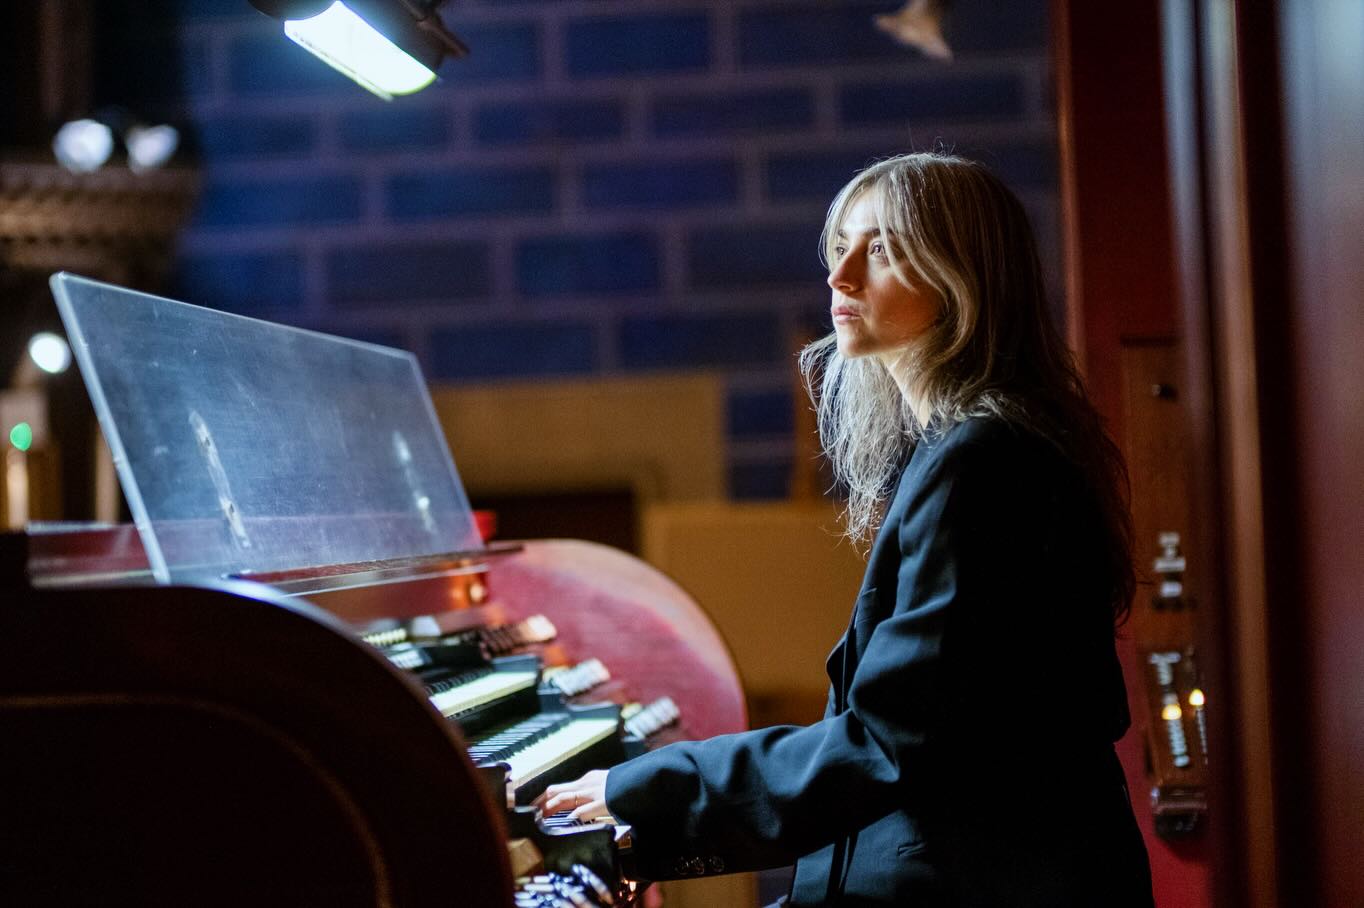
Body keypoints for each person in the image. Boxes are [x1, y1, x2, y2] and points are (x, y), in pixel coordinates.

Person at [536, 152, 1155, 907]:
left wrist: (644, 794)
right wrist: (647, 840)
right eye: (841, 249)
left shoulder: (984, 462)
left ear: (961, 278)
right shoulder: (975, 448)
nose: (842, 276)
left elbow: (888, 744)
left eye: (883, 250)